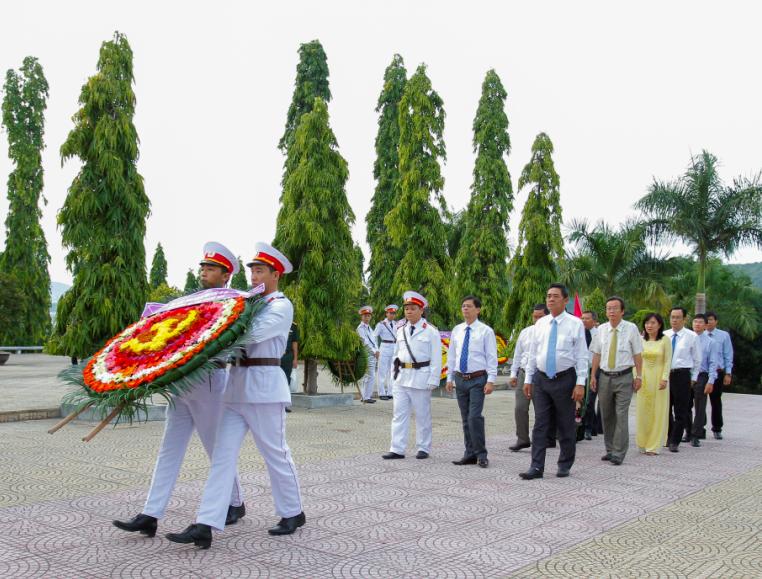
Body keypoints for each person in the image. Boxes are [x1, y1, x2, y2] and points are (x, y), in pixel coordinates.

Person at [166, 243, 304, 549]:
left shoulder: (281, 306)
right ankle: (206, 523)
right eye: (252, 270)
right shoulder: (245, 302)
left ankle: (292, 512)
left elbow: (248, 334)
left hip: (265, 389)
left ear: (275, 274)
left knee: (275, 454)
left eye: (260, 271)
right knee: (222, 458)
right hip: (235, 389)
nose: (254, 277)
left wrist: (208, 330)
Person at [113, 242, 245, 539]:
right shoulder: (191, 300)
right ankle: (150, 514)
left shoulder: (233, 301)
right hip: (180, 386)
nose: (204, 272)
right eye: (203, 267)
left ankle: (235, 503)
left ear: (226, 275)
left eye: (211, 269)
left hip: (209, 382)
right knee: (168, 450)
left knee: (216, 449)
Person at [520, 283, 588, 480]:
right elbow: (533, 353)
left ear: (565, 300)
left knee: (565, 424)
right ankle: (536, 467)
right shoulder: (541, 324)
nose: (550, 299)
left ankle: (564, 464)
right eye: (548, 295)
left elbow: (582, 355)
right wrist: (528, 379)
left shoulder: (575, 323)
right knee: (540, 423)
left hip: (565, 379)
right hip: (541, 379)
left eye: (555, 296)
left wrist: (580, 383)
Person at [382, 291, 441, 460]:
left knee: (422, 415)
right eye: (407, 308)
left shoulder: (430, 331)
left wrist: (434, 378)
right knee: (399, 415)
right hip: (402, 378)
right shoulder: (401, 330)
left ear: (421, 310)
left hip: (421, 377)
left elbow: (436, 357)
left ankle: (423, 447)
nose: (408, 311)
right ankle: (397, 448)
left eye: (413, 308)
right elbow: (395, 354)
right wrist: (393, 375)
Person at [590, 297, 643, 465]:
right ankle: (610, 449)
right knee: (606, 415)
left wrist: (639, 376)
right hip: (605, 377)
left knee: (621, 415)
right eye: (608, 308)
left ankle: (619, 453)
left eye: (614, 308)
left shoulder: (631, 328)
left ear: (622, 311)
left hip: (624, 377)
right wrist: (593, 375)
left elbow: (637, 354)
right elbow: (597, 354)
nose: (611, 311)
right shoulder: (601, 330)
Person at [446, 296, 498, 468]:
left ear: (478, 309)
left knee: (474, 417)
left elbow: (492, 357)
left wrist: (491, 380)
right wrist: (449, 378)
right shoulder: (457, 330)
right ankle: (469, 454)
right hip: (461, 379)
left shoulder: (485, 331)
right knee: (465, 418)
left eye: (469, 306)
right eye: (463, 306)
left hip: (478, 379)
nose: (465, 309)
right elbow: (452, 355)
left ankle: (482, 454)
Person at [508, 304, 553, 452]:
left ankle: (544, 438)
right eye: (535, 316)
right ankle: (522, 439)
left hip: (541, 374)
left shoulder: (552, 332)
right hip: (523, 373)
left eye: (541, 316)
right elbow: (518, 354)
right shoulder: (526, 332)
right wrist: (513, 374)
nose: (537, 319)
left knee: (542, 410)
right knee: (520, 408)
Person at [664, 307, 702, 453]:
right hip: (666, 375)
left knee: (681, 409)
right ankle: (669, 435)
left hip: (682, 375)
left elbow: (697, 359)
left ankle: (675, 440)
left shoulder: (691, 336)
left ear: (684, 319)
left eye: (678, 317)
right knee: (666, 408)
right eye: (672, 317)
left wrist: (693, 378)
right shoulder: (664, 334)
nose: (674, 320)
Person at [636, 313, 672, 455]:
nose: (649, 326)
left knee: (658, 411)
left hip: (658, 377)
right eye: (647, 323)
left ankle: (654, 445)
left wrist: (664, 378)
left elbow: (668, 360)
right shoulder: (640, 340)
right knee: (643, 411)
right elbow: (637, 360)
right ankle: (643, 443)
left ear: (659, 325)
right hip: (644, 378)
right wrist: (636, 377)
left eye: (652, 323)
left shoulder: (665, 340)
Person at [690, 314, 718, 447]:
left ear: (706, 325)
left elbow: (713, 363)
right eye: (695, 322)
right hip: (687, 374)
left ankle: (696, 434)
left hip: (702, 376)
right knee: (684, 405)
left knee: (700, 406)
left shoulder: (710, 342)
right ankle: (687, 430)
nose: (697, 324)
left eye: (701, 322)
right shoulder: (687, 338)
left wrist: (711, 381)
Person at [706, 311, 734, 440]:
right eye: (706, 319)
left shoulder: (724, 335)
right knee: (698, 402)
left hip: (717, 372)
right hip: (702, 373)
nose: (708, 322)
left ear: (716, 321)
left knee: (716, 401)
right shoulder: (697, 335)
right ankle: (698, 428)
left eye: (711, 319)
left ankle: (717, 428)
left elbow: (728, 354)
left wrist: (728, 373)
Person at [581, 310, 602, 440]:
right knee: (582, 400)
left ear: (594, 321)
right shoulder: (579, 333)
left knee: (590, 400)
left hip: (595, 370)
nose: (583, 321)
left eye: (587, 318)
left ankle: (588, 428)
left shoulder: (600, 334)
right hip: (581, 370)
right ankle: (586, 426)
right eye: (582, 318)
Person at [374, 305, 399, 400]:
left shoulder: (396, 324)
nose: (392, 315)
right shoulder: (381, 324)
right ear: (386, 313)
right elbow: (374, 336)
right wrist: (376, 349)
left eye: (393, 313)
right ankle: (381, 393)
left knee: (392, 371)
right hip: (384, 347)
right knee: (382, 371)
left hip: (394, 347)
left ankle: (390, 392)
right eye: (390, 313)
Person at [357, 306, 379, 404]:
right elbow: (365, 342)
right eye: (365, 316)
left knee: (371, 376)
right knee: (367, 376)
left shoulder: (370, 328)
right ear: (361, 317)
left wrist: (377, 351)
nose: (367, 317)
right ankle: (365, 397)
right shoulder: (360, 328)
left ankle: (367, 396)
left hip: (373, 354)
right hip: (366, 354)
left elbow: (374, 341)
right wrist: (374, 352)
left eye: (369, 316)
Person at [280, 322, 299, 412]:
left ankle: (284, 405)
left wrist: (295, 358)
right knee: (275, 380)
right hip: (276, 356)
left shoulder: (293, 326)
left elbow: (294, 343)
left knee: (286, 381)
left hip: (287, 357)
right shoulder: (275, 321)